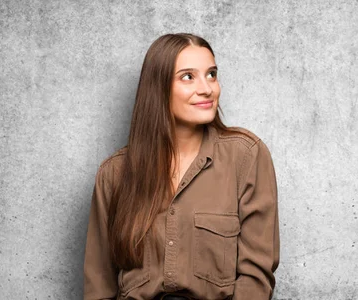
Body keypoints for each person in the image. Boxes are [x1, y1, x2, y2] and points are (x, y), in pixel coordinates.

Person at [83, 33, 280, 300]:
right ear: (158, 87)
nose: (207, 88)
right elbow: (99, 286)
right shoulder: (114, 174)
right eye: (188, 77)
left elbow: (256, 278)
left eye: (211, 74)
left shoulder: (245, 157)